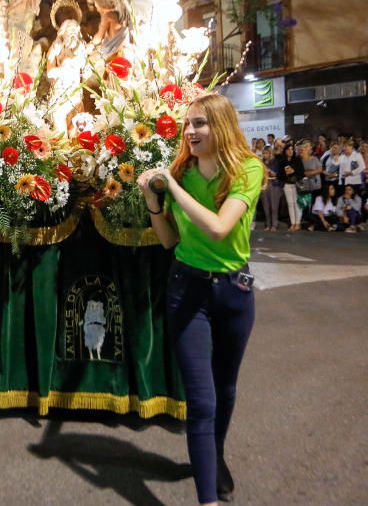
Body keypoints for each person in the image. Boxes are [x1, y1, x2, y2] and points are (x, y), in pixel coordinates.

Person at [137, 93, 264, 506]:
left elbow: (218, 228)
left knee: (225, 389)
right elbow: (170, 240)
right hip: (186, 291)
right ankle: (207, 500)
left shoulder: (247, 168)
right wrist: (154, 202)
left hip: (234, 292)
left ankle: (216, 454)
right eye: (187, 124)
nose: (190, 131)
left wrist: (170, 186)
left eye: (200, 123)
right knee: (203, 400)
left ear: (221, 126)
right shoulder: (182, 171)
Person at [276, 142, 302, 231]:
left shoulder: (297, 159)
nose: (290, 151)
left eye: (292, 149)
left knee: (297, 204)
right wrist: (285, 173)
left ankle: (298, 223)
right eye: (288, 149)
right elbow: (279, 174)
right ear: (285, 151)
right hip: (286, 184)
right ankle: (293, 223)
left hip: (296, 184)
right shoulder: (282, 161)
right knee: (290, 204)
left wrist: (293, 171)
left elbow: (302, 172)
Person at [258, 146, 281, 231]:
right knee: (266, 206)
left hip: (273, 184)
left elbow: (276, 174)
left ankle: (274, 225)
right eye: (264, 153)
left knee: (274, 206)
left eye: (267, 153)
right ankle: (268, 224)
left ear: (270, 153)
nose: (265, 155)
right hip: (264, 184)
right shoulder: (261, 162)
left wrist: (269, 171)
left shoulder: (275, 161)